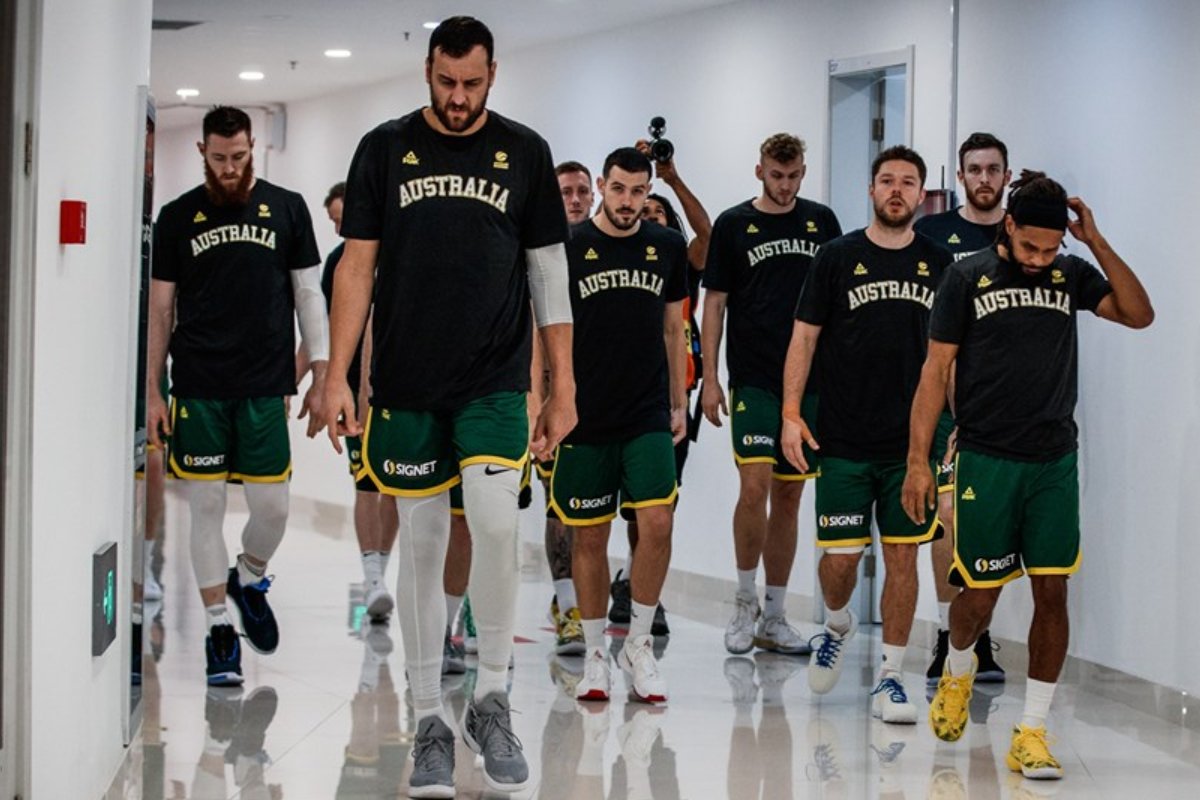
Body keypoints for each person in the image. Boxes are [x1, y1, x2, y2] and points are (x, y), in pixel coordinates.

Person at [320, 17, 575, 796]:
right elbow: (356, 269)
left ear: (492, 73)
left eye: (471, 83)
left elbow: (548, 276)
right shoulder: (384, 148)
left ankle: (492, 697)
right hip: (405, 382)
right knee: (425, 547)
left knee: (497, 528)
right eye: (444, 82)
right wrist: (337, 374)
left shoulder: (525, 152)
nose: (458, 99)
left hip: (496, 379)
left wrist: (561, 383)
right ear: (427, 71)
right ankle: (428, 715)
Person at [906, 172, 1153, 776]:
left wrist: (1092, 242)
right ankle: (958, 671)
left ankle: (1033, 730)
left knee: (1053, 588)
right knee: (980, 595)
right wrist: (918, 462)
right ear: (1008, 229)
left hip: (1053, 459)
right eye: (1031, 248)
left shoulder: (1071, 274)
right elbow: (935, 374)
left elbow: (1138, 314)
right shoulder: (965, 278)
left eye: (1051, 249)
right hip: (987, 459)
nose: (1041, 260)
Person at [148, 105, 327, 687]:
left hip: (264, 385)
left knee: (272, 508)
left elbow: (308, 295)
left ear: (255, 150)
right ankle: (218, 628)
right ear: (203, 152)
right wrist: (154, 389)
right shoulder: (177, 218)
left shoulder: (289, 208)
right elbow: (160, 310)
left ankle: (249, 575)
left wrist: (321, 370)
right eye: (221, 158)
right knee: (204, 509)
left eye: (240, 157)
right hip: (199, 386)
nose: (231, 169)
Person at [781, 145, 952, 723]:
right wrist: (789, 413)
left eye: (908, 182)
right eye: (887, 180)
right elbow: (803, 338)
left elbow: (955, 357)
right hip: (843, 439)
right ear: (871, 190)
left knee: (902, 557)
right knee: (840, 563)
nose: (897, 190)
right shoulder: (835, 257)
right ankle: (836, 623)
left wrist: (959, 427)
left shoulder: (941, 263)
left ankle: (890, 677)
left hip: (913, 447)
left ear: (921, 193)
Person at [552, 146, 688, 704]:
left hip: (647, 411)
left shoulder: (667, 247)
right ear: (603, 187)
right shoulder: (571, 247)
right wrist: (547, 399)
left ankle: (637, 645)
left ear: (648, 192)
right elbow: (550, 329)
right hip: (585, 414)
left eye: (638, 192)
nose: (628, 202)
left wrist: (678, 401)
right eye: (619, 190)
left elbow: (674, 327)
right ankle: (593, 655)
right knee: (589, 535)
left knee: (656, 523)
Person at [701, 133, 842, 657]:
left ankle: (776, 614)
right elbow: (714, 303)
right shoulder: (734, 225)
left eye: (794, 176)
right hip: (755, 380)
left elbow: (836, 302)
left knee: (789, 496)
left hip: (808, 385)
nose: (785, 186)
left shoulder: (822, 223)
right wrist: (711, 378)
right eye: (776, 176)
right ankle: (744, 601)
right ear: (758, 171)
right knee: (753, 487)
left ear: (804, 172)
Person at [912, 132, 1011, 686]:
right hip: (944, 397)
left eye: (993, 169)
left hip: (1000, 403)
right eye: (974, 169)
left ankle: (978, 638)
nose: (983, 178)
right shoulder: (932, 235)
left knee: (988, 526)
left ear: (1006, 174)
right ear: (960, 174)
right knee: (947, 519)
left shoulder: (1021, 237)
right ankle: (952, 638)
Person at [604, 142, 714, 636]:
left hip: (671, 397)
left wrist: (672, 179)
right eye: (636, 205)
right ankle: (625, 581)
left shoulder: (675, 261)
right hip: (615, 393)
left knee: (658, 505)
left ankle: (639, 586)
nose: (644, 214)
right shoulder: (611, 251)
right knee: (621, 504)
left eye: (654, 209)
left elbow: (706, 236)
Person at [309, 181, 399, 624]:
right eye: (335, 224)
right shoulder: (338, 264)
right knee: (366, 482)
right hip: (354, 391)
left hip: (400, 386)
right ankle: (372, 577)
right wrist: (320, 379)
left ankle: (381, 565)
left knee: (398, 486)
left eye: (346, 219)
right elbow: (326, 323)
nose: (342, 228)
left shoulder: (400, 252)